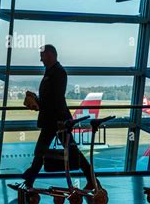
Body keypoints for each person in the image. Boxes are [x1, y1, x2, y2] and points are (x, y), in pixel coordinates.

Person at [8, 45, 97, 191]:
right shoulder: (52, 72)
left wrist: (39, 104)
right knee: (49, 152)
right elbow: (51, 99)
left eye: (42, 56)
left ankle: (29, 182)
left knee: (48, 152)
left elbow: (56, 99)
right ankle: (29, 182)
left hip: (57, 121)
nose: (40, 59)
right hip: (53, 121)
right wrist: (36, 100)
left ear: (50, 55)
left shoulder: (58, 73)